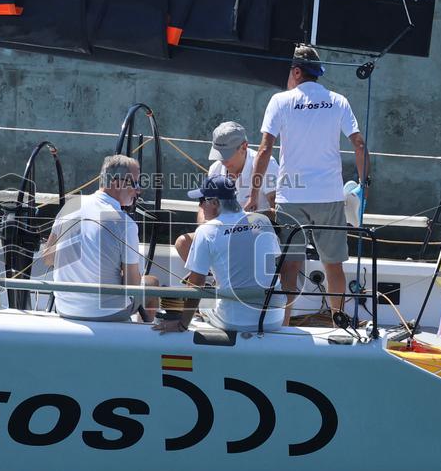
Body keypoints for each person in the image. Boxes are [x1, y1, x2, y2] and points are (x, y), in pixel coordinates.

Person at [247, 44, 368, 324]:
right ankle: (339, 322)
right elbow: (359, 144)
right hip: (329, 196)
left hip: (291, 196)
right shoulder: (338, 101)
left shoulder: (279, 101)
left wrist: (254, 193)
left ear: (297, 72)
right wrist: (363, 185)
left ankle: (284, 323)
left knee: (290, 264)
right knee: (333, 265)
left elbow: (264, 149)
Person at [155, 175, 284, 334]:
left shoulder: (206, 231)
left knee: (203, 305)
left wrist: (182, 324)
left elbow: (196, 285)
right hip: (274, 319)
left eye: (201, 201)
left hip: (236, 321)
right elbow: (271, 264)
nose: (200, 206)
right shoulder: (262, 220)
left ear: (215, 203)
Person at [43, 155, 158, 322]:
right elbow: (132, 285)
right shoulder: (125, 223)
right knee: (152, 283)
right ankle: (144, 335)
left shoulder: (71, 205)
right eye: (135, 183)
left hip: (65, 308)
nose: (138, 191)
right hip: (105, 312)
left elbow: (48, 258)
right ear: (117, 183)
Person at [173, 121, 278, 263]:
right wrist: (204, 227)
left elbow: (279, 212)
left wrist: (246, 219)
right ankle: (210, 276)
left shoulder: (267, 165)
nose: (222, 159)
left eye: (227, 154)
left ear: (244, 147)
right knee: (183, 243)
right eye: (219, 153)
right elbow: (203, 206)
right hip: (223, 233)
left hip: (256, 233)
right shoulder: (215, 168)